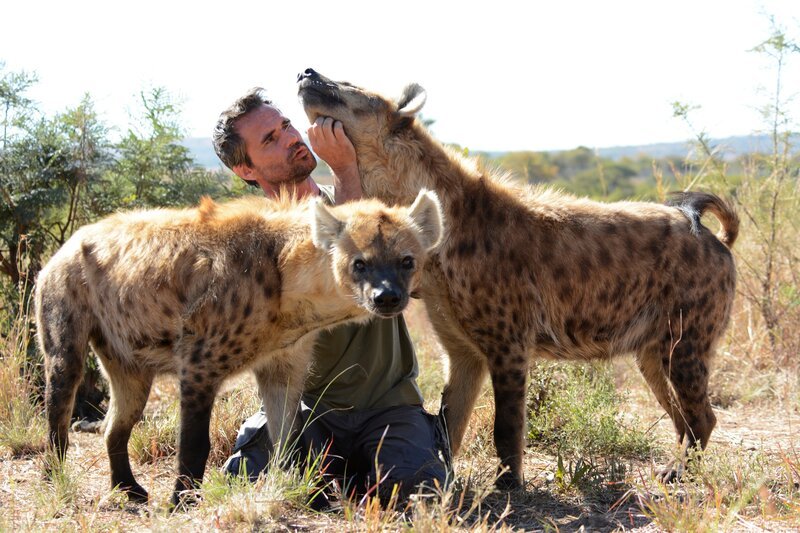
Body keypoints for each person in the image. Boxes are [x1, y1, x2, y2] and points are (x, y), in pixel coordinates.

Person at [211, 87, 448, 505]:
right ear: (246, 170)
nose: (291, 138)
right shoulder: (255, 243)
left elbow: (363, 240)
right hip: (306, 409)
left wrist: (348, 175)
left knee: (418, 492)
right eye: (270, 140)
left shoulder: (374, 212)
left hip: (388, 405)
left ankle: (383, 463)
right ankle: (341, 475)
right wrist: (346, 172)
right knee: (247, 477)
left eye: (285, 126)